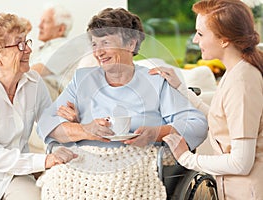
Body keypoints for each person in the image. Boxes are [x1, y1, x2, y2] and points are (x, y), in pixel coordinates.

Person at [36, 8, 208, 199]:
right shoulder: (82, 80)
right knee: (56, 180)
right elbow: (46, 123)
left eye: (106, 43)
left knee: (119, 188)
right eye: (94, 44)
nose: (98, 52)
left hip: (136, 162)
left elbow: (196, 124)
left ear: (131, 43)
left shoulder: (154, 81)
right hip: (84, 160)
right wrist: (84, 129)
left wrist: (156, 133)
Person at [149, 0, 263, 199]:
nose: (194, 40)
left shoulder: (242, 82)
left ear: (224, 39)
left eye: (200, 34)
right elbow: (221, 120)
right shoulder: (235, 72)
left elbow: (241, 163)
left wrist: (187, 158)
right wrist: (182, 89)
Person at [0, 13, 77, 200]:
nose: (29, 50)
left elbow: (50, 126)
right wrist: (45, 160)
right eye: (20, 44)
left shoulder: (33, 81)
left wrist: (70, 121)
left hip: (16, 175)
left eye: (27, 42)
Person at [30, 3, 73, 100]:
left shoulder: (66, 47)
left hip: (55, 98)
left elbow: (37, 71)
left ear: (61, 29)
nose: (39, 26)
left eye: (46, 22)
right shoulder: (40, 50)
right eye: (41, 21)